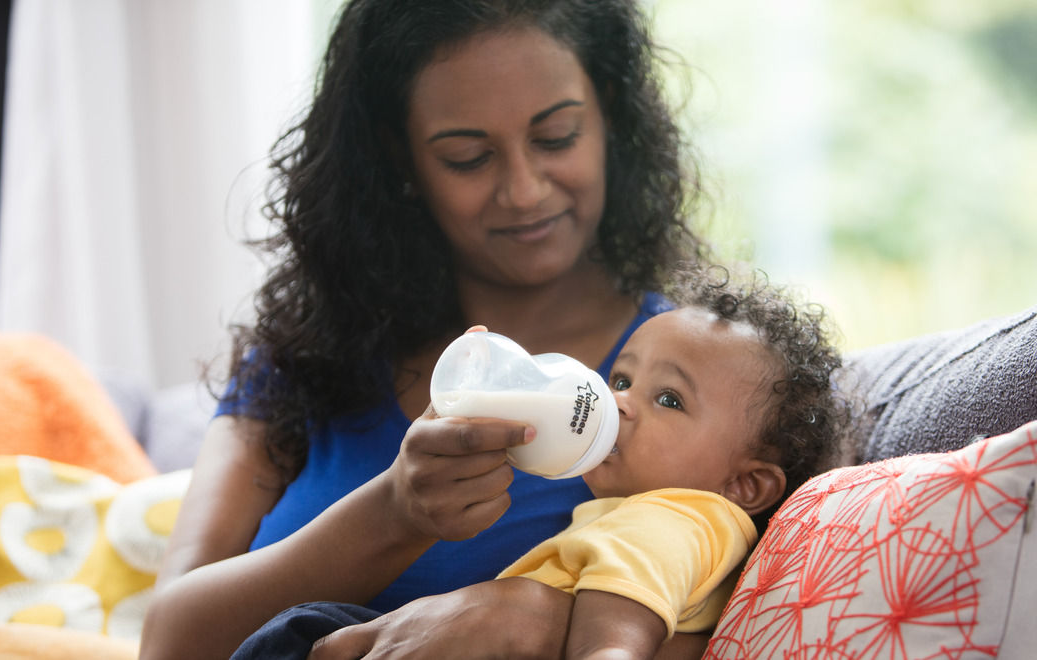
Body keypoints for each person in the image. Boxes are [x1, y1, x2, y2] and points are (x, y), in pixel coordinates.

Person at [138, 1, 707, 658]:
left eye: (556, 138)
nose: (524, 190)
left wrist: (528, 612)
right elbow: (168, 641)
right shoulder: (304, 354)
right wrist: (392, 515)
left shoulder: (687, 381)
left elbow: (714, 612)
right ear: (398, 156)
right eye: (468, 157)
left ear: (609, 113)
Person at [234, 267, 851, 659]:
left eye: (668, 399)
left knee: (302, 632)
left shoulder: (679, 518)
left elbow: (619, 622)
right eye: (621, 378)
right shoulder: (635, 513)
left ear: (745, 483)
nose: (617, 403)